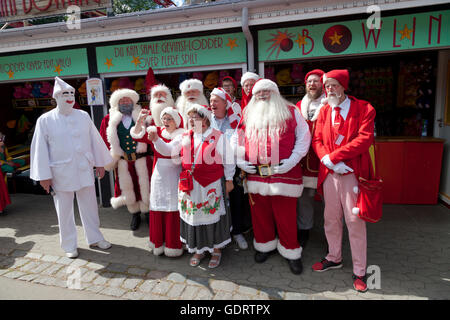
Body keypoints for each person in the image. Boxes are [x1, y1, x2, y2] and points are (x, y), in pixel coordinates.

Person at [232, 79, 310, 274]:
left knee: (286, 216)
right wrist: (240, 161)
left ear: (275, 93)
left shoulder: (292, 112)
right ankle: (264, 245)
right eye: (258, 93)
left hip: (284, 173)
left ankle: (291, 252)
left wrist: (293, 160)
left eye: (266, 91)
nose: (262, 95)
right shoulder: (248, 115)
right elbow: (236, 139)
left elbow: (304, 137)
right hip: (256, 174)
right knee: (260, 215)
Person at [30, 77, 113, 258]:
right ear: (56, 97)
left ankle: (95, 237)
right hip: (60, 173)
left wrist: (100, 163)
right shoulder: (45, 120)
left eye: (71, 94)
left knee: (90, 206)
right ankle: (69, 244)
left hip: (84, 169)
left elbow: (94, 140)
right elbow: (39, 150)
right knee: (64, 210)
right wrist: (44, 176)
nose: (69, 97)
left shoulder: (83, 116)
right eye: (64, 94)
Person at [311, 69, 376, 293]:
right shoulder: (324, 111)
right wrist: (327, 161)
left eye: (334, 85)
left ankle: (360, 270)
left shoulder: (364, 108)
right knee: (330, 218)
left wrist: (334, 157)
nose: (330, 89)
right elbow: (317, 139)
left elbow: (364, 139)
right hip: (330, 173)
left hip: (352, 173)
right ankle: (334, 257)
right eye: (327, 86)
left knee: (354, 221)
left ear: (344, 86)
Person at [148, 104, 235, 269]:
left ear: (205, 119)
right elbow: (168, 150)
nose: (192, 120)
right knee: (195, 217)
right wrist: (156, 140)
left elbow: (229, 159)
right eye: (190, 117)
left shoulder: (218, 136)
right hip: (191, 186)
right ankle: (199, 250)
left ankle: (216, 250)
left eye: (196, 117)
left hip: (211, 185)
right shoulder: (185, 136)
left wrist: (229, 179)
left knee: (213, 216)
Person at [131, 106, 185, 257]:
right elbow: (136, 135)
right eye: (164, 119)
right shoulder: (159, 131)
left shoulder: (182, 135)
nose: (166, 121)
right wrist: (141, 120)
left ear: (177, 121)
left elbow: (168, 150)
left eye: (169, 119)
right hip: (159, 175)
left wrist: (155, 139)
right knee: (158, 205)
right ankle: (158, 243)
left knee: (173, 207)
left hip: (174, 175)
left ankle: (174, 244)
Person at [99, 88, 152, 231]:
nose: (125, 102)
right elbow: (103, 141)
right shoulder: (109, 120)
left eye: (128, 99)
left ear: (133, 101)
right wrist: (105, 160)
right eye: (122, 100)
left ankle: (147, 213)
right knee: (129, 188)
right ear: (117, 103)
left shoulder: (144, 116)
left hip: (142, 159)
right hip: (123, 161)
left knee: (145, 186)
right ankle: (135, 214)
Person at [209, 87, 250, 250]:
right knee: (213, 202)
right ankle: (217, 235)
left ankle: (237, 232)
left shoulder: (236, 119)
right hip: (211, 168)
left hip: (232, 168)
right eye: (211, 101)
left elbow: (241, 143)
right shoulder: (204, 118)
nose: (212, 104)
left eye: (216, 101)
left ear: (225, 103)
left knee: (236, 200)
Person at [295, 69, 327, 247]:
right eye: (309, 82)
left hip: (324, 161)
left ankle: (331, 236)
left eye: (316, 81)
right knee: (304, 198)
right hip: (303, 161)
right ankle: (304, 229)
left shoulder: (330, 105)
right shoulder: (299, 105)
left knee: (329, 202)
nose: (312, 84)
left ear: (322, 84)